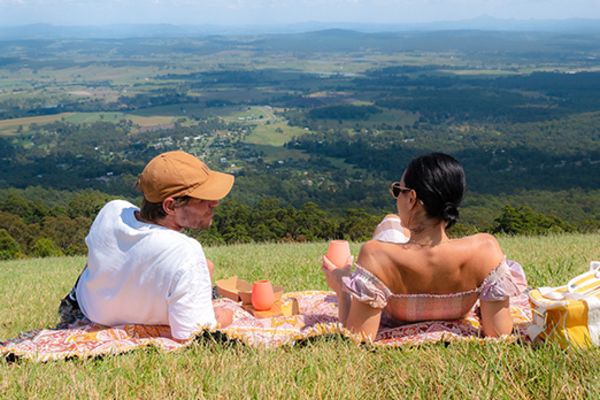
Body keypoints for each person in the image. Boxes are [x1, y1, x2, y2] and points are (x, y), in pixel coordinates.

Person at [323, 153, 526, 341]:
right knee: (394, 223)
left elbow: (358, 336)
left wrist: (342, 288)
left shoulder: (375, 255)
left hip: (393, 262)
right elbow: (499, 333)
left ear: (411, 198)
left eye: (398, 191)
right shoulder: (485, 250)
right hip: (451, 265)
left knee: (390, 221)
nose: (396, 198)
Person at [58, 150, 234, 339]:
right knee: (198, 268)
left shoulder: (112, 210)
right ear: (170, 206)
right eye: (203, 199)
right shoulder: (186, 251)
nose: (214, 203)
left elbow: (141, 247)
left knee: (205, 266)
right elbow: (192, 333)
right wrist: (223, 317)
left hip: (88, 308)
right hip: (134, 314)